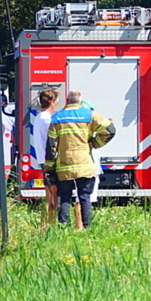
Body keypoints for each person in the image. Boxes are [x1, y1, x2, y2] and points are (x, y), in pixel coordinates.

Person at [45, 90, 116, 228]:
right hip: (85, 165)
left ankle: (63, 227)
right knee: (84, 197)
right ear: (80, 101)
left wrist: (49, 168)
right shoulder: (89, 115)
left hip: (64, 166)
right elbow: (110, 130)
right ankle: (88, 227)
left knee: (65, 198)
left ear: (67, 100)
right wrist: (95, 143)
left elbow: (51, 146)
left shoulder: (56, 118)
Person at [32, 88, 64, 228]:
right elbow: (54, 138)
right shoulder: (47, 118)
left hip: (42, 158)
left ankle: (45, 224)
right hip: (50, 159)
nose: (57, 103)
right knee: (53, 194)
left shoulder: (39, 117)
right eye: (56, 100)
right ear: (51, 101)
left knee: (48, 193)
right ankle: (49, 224)